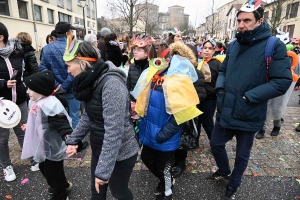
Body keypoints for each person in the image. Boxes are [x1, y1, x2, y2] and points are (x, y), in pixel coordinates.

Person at [207, 1, 292, 199]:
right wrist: (220, 90)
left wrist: (249, 97)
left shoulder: (274, 45)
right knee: (216, 144)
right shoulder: (234, 44)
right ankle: (224, 171)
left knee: (242, 156)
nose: (241, 25)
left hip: (250, 111)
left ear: (259, 21)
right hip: (226, 109)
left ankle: (233, 185)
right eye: (239, 21)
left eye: (247, 20)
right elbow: (224, 70)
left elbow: (282, 81)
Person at [64, 40, 139, 199]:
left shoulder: (111, 85)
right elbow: (89, 115)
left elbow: (114, 131)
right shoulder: (91, 79)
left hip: (121, 153)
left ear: (83, 64)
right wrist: (73, 139)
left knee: (119, 192)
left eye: (70, 65)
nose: (68, 70)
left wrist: (104, 171)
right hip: (100, 148)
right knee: (96, 193)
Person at [132, 41, 202, 200]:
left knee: (163, 166)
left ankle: (167, 191)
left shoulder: (177, 81)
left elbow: (182, 115)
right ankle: (166, 181)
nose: (153, 67)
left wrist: (164, 134)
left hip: (165, 134)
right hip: (150, 130)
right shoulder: (151, 76)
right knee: (147, 158)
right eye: (151, 62)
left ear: (168, 61)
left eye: (156, 62)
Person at [21, 71, 74, 200]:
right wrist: (29, 126)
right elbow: (40, 120)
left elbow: (61, 123)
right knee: (44, 167)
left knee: (53, 172)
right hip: (44, 144)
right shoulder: (38, 101)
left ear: (40, 90)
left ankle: (61, 194)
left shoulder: (50, 105)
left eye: (30, 89)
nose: (27, 91)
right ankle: (62, 185)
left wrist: (69, 137)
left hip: (52, 147)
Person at [0, 22, 28, 182]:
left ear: (1, 37)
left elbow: (24, 73)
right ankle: (6, 166)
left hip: (20, 100)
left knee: (23, 131)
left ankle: (31, 157)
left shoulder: (17, 52)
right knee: (2, 139)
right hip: (2, 104)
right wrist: (3, 83)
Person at [39, 22, 80, 129]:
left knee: (58, 117)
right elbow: (77, 69)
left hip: (55, 91)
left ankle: (62, 142)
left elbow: (43, 70)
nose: (72, 33)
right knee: (74, 115)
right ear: (67, 33)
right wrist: (63, 87)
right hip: (72, 89)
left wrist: (57, 86)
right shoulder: (75, 46)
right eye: (71, 31)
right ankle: (75, 142)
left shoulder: (47, 48)